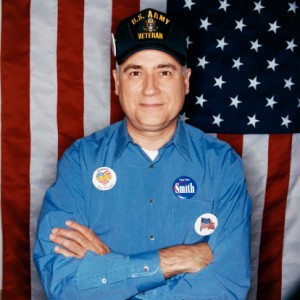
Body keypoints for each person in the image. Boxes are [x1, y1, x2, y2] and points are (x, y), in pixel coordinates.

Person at [34, 8, 252, 300]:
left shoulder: (222, 165)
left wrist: (111, 269)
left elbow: (227, 285)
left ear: (185, 81)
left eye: (164, 72)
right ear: (117, 81)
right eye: (135, 72)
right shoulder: (80, 162)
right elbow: (63, 284)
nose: (150, 88)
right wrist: (174, 260)